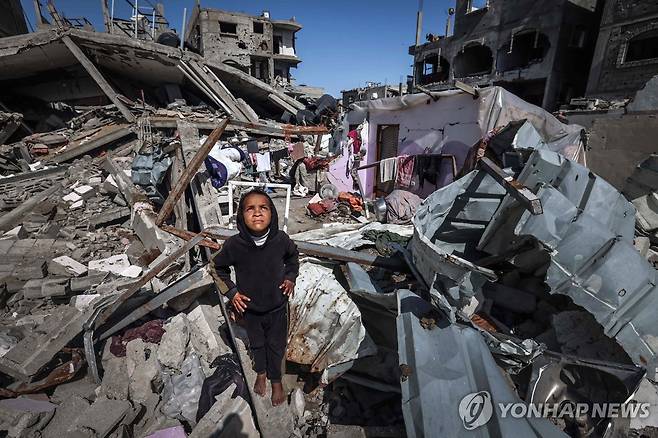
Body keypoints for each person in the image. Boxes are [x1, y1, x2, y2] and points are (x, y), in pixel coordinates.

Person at [213, 189, 299, 406]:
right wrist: (232, 293)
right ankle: (261, 373)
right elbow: (217, 267)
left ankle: (276, 380)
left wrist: (290, 277)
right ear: (241, 215)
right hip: (250, 310)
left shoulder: (281, 240)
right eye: (250, 208)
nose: (257, 213)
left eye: (263, 208)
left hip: (277, 307)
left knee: (276, 345)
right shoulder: (234, 245)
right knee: (258, 344)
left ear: (272, 214)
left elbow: (293, 257)